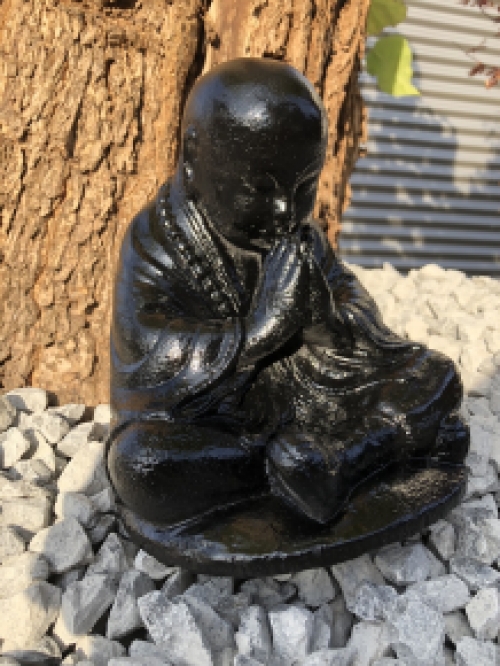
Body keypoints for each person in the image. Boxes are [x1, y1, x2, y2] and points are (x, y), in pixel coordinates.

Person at [107, 57, 469, 528]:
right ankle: (334, 459)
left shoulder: (301, 235)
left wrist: (325, 323)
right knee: (142, 464)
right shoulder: (156, 239)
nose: (283, 210)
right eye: (259, 188)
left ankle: (346, 458)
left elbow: (355, 307)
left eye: (303, 187)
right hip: (221, 419)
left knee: (436, 374)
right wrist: (259, 331)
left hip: (308, 400)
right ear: (193, 157)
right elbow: (145, 346)